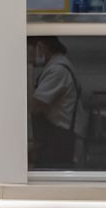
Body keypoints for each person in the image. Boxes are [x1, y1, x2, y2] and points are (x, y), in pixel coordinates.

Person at [28, 35, 81, 167]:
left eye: (29, 49)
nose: (27, 54)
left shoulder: (58, 70)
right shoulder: (55, 66)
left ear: (40, 47)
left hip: (58, 142)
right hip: (53, 139)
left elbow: (34, 106)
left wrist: (29, 69)